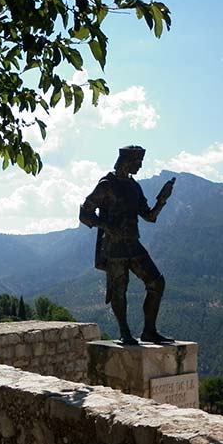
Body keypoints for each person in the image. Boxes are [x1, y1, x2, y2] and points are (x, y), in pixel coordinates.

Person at [79, 146, 175, 345]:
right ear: (127, 161)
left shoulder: (134, 186)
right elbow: (84, 213)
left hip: (133, 243)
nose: (140, 166)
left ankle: (149, 331)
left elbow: (148, 216)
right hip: (114, 246)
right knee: (119, 290)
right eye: (137, 162)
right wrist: (106, 225)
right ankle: (124, 332)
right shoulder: (107, 184)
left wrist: (162, 200)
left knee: (157, 283)